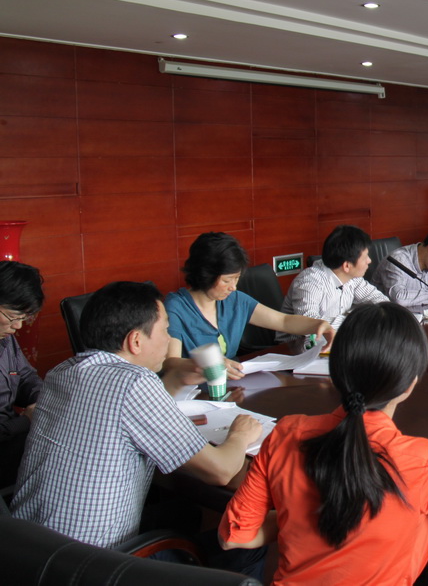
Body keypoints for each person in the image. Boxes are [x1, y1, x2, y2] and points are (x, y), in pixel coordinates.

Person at [219, 302, 428, 583]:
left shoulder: (286, 434)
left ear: (336, 372)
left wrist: (299, 516)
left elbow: (234, 536)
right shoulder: (424, 461)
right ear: (410, 385)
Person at [12, 281, 263, 550]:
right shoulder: (134, 382)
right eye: (165, 329)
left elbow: (124, 414)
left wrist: (176, 380)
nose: (168, 339)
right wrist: (240, 435)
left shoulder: (61, 372)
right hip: (93, 560)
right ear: (135, 341)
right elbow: (221, 471)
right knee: (245, 542)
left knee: (184, 513)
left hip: (25, 547)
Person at [164, 232, 334, 378]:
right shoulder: (176, 307)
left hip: (232, 385)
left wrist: (319, 325)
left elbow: (283, 321)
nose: (233, 287)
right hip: (195, 392)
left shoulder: (235, 300)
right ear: (205, 274)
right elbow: (170, 362)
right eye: (227, 280)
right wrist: (206, 365)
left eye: (236, 279)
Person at [278, 225, 388, 352]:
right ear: (347, 266)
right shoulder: (309, 281)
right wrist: (354, 318)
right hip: (294, 350)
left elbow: (380, 301)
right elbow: (310, 325)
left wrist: (356, 317)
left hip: (337, 341)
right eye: (365, 257)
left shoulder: (352, 278)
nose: (369, 261)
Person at [0, 261, 44, 488]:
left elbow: (25, 376)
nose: (18, 326)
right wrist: (25, 421)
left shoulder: (5, 338)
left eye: (23, 318)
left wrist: (41, 400)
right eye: (12, 317)